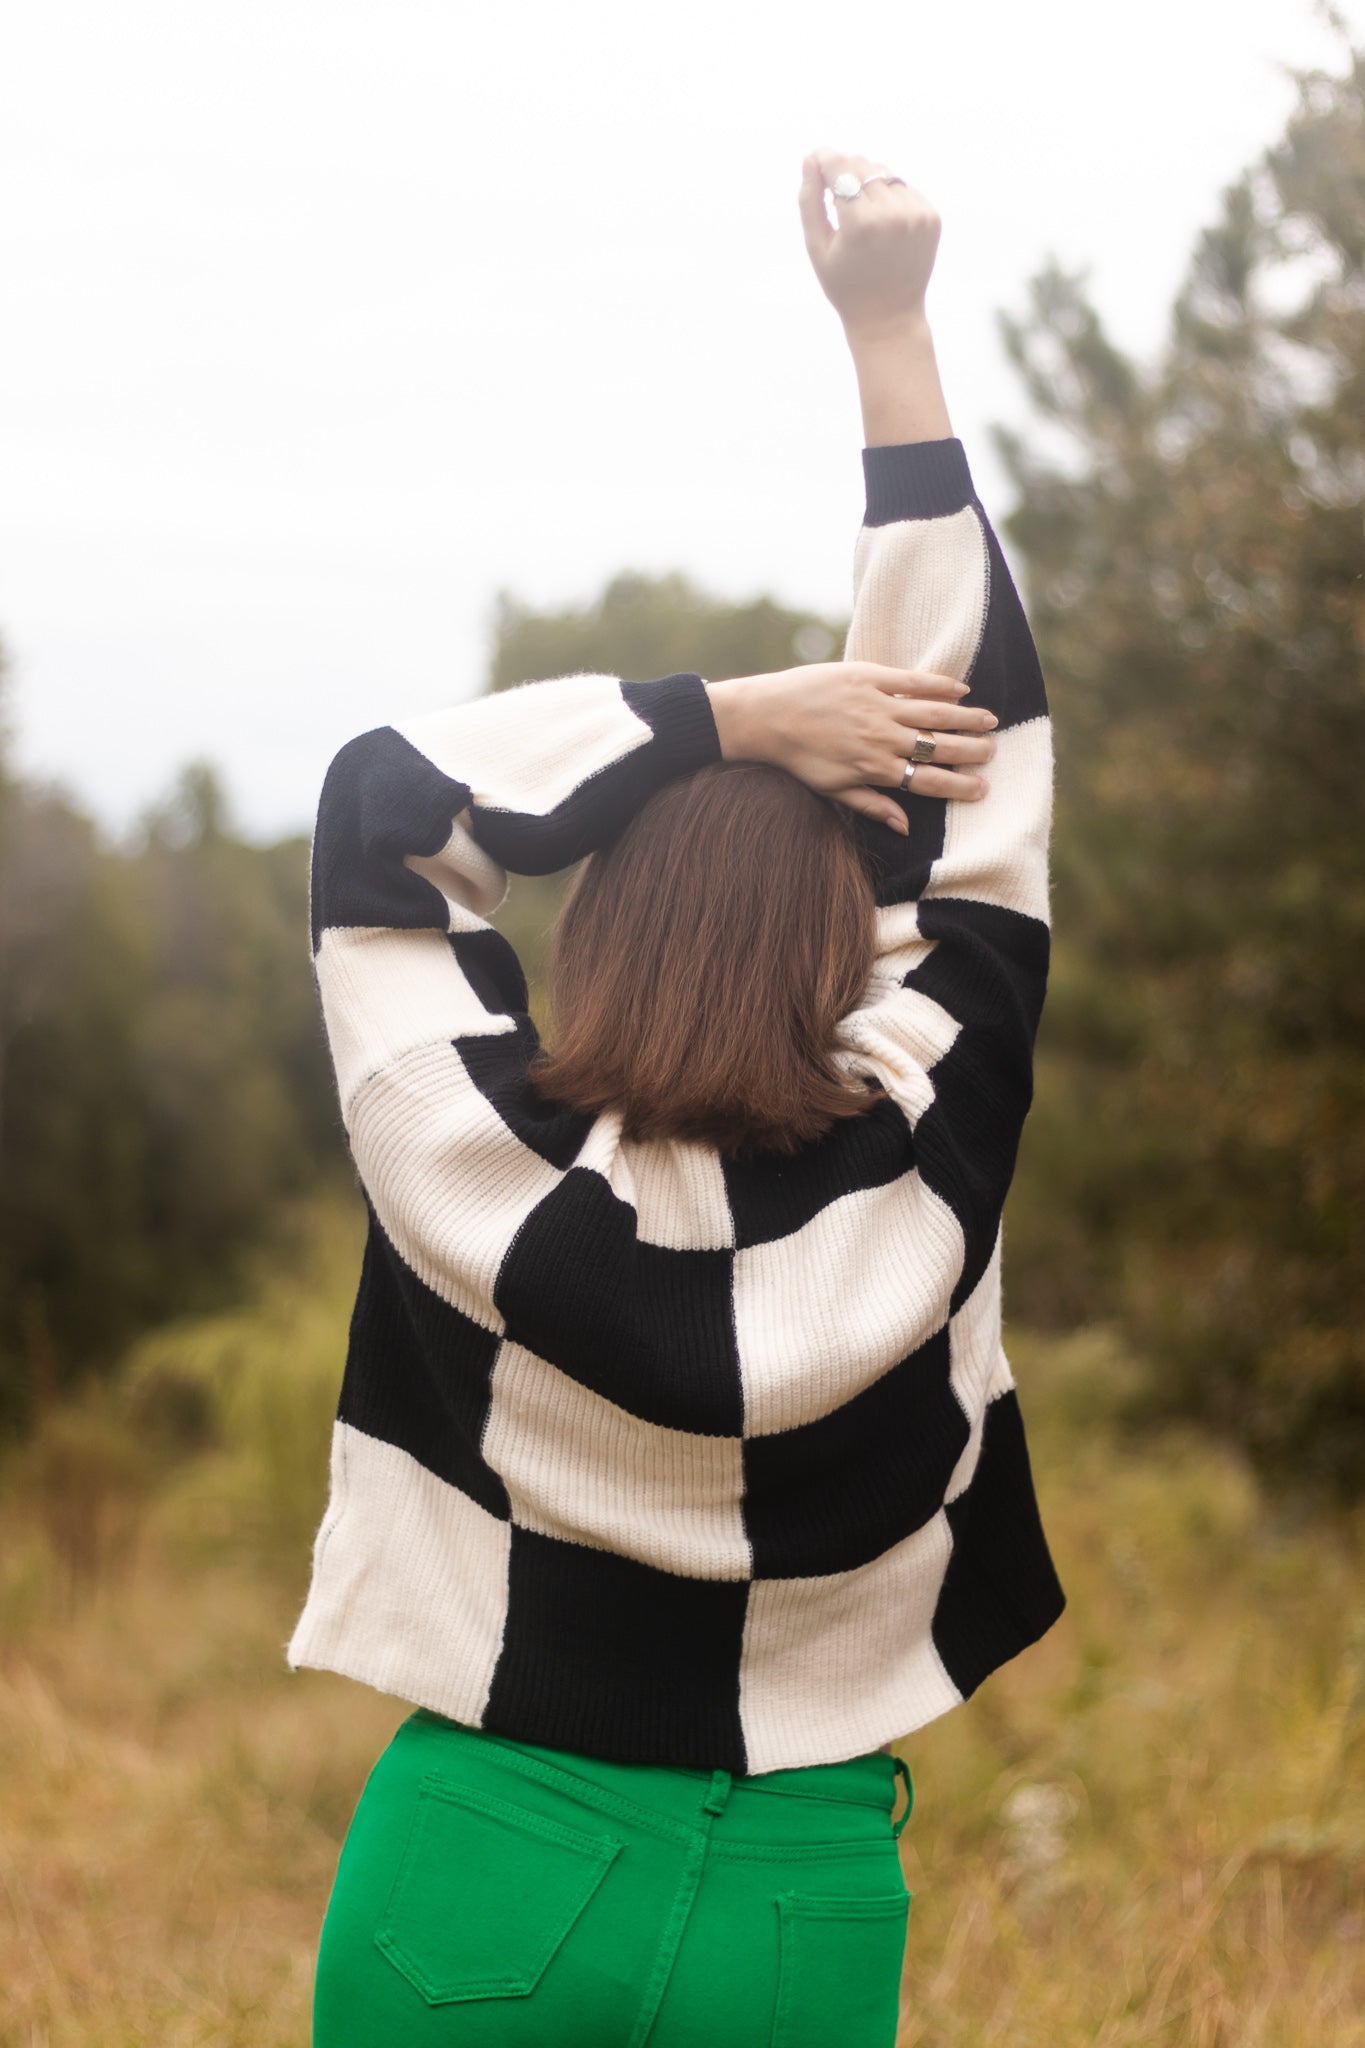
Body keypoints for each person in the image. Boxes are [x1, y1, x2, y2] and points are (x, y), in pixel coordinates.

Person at [287, 147, 1066, 2048]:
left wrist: (716, 719)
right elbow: (979, 800)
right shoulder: (917, 1149)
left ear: (603, 924)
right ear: (847, 946)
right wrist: (892, 337)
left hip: (481, 1849)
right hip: (801, 1893)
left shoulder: (463, 1147)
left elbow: (383, 810)